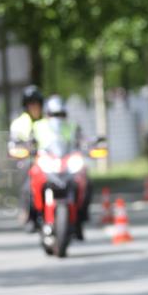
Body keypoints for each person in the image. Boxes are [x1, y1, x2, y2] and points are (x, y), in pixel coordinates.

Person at [33, 95, 88, 237]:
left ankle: (81, 218)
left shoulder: (72, 125)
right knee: (29, 184)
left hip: (66, 161)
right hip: (47, 160)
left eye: (60, 114)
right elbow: (29, 142)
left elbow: (82, 140)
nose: (57, 117)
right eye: (53, 114)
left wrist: (89, 145)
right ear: (47, 113)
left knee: (86, 182)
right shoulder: (38, 126)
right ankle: (33, 216)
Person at [9, 85, 44, 232]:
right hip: (31, 160)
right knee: (27, 180)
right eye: (31, 103)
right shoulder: (19, 123)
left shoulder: (48, 121)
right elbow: (13, 145)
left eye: (36, 103)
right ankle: (28, 212)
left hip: (50, 159)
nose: (34, 106)